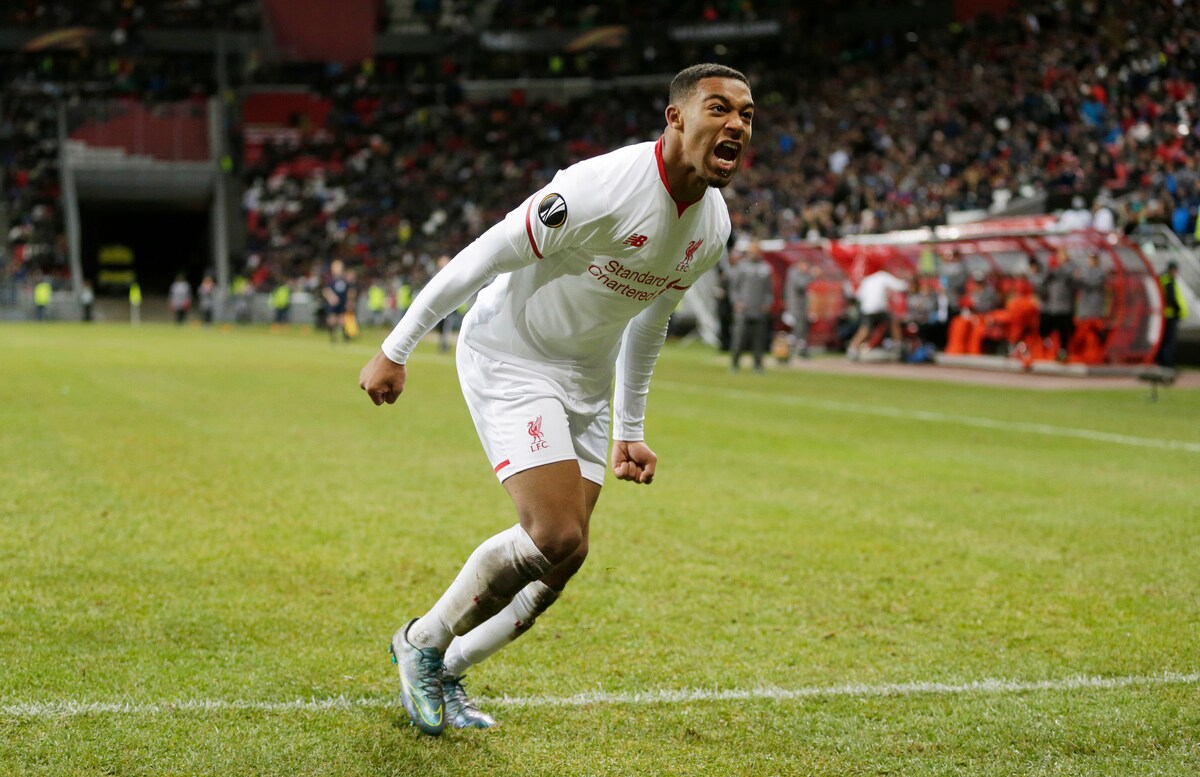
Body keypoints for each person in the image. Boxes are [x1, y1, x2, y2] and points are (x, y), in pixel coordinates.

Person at [358, 63, 754, 735]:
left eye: (746, 114)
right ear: (676, 117)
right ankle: (421, 642)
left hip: (586, 378)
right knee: (554, 531)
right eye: (719, 108)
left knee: (567, 554)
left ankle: (450, 668)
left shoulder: (711, 228)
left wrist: (630, 426)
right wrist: (396, 347)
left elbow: (650, 321)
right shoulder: (599, 188)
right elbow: (485, 255)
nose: (736, 124)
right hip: (512, 355)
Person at [728, 240, 774, 372]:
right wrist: (736, 302)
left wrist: (767, 303)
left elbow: (769, 291)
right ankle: (734, 364)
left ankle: (758, 365)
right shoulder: (741, 267)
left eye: (757, 251)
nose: (754, 254)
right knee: (739, 338)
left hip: (759, 310)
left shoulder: (766, 268)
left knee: (759, 340)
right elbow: (734, 288)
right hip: (743, 309)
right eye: (752, 251)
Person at [847, 264, 908, 359]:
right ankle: (898, 345)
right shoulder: (883, 276)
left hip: (867, 310)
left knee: (865, 330)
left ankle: (852, 348)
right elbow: (901, 286)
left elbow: (858, 296)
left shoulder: (867, 280)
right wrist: (907, 278)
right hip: (879, 309)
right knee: (894, 321)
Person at [1157, 260, 1188, 369]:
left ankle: (1163, 363)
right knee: (1169, 341)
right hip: (1170, 315)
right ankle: (1167, 364)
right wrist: (1178, 309)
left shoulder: (1163, 279)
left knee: (1165, 340)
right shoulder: (1169, 281)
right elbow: (1171, 298)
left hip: (1165, 315)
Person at [783, 259, 814, 359]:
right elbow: (801, 285)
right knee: (798, 329)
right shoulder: (794, 273)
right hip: (795, 307)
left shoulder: (800, 274)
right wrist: (812, 275)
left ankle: (801, 350)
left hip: (802, 307)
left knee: (801, 329)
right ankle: (785, 347)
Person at [323, 259, 350, 343]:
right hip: (333, 304)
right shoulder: (329, 279)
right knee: (331, 320)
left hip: (342, 302)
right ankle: (332, 337)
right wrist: (331, 297)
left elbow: (349, 291)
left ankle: (345, 337)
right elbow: (325, 290)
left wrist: (349, 301)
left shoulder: (345, 279)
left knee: (342, 320)